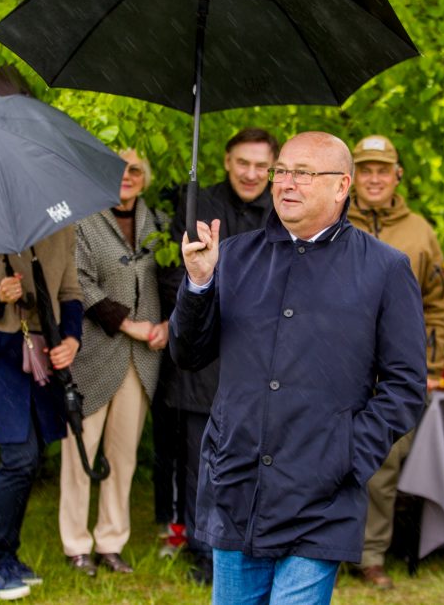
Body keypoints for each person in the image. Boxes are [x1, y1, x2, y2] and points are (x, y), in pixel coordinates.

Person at [169, 131, 426, 604]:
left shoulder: (384, 269)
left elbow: (405, 387)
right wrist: (200, 283)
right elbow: (188, 354)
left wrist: (348, 452)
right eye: (281, 171)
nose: (286, 183)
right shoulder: (237, 256)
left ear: (341, 186)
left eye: (303, 174)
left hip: (320, 492)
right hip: (238, 479)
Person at [156, 127, 277, 584]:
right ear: (227, 161)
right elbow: (172, 278)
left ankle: (247, 544)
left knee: (252, 458)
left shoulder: (281, 216)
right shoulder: (197, 207)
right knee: (200, 462)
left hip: (258, 360)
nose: (251, 173)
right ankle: (202, 549)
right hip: (202, 354)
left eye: (261, 165)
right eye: (243, 162)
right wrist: (210, 296)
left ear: (272, 168)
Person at [347, 134, 444, 589]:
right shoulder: (329, 220)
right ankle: (321, 551)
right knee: (322, 461)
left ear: (397, 175)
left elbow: (438, 305)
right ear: (350, 177)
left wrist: (428, 367)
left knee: (383, 467)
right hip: (333, 368)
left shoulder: (420, 232)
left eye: (382, 170)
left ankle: (371, 554)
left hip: (392, 374)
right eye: (365, 170)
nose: (374, 179)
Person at [59, 149, 169, 577]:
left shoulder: (158, 222)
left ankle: (110, 541)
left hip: (142, 358)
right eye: (117, 169)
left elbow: (173, 277)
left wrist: (165, 326)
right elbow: (79, 281)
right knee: (80, 453)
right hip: (93, 352)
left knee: (123, 456)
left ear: (145, 178)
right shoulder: (83, 220)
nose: (126, 177)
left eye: (135, 170)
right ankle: (75, 544)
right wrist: (130, 324)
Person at [0, 231, 83, 601]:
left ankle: (7, 557)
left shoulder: (63, 226)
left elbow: (71, 293)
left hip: (42, 349)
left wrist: (72, 339)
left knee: (33, 453)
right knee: (19, 456)